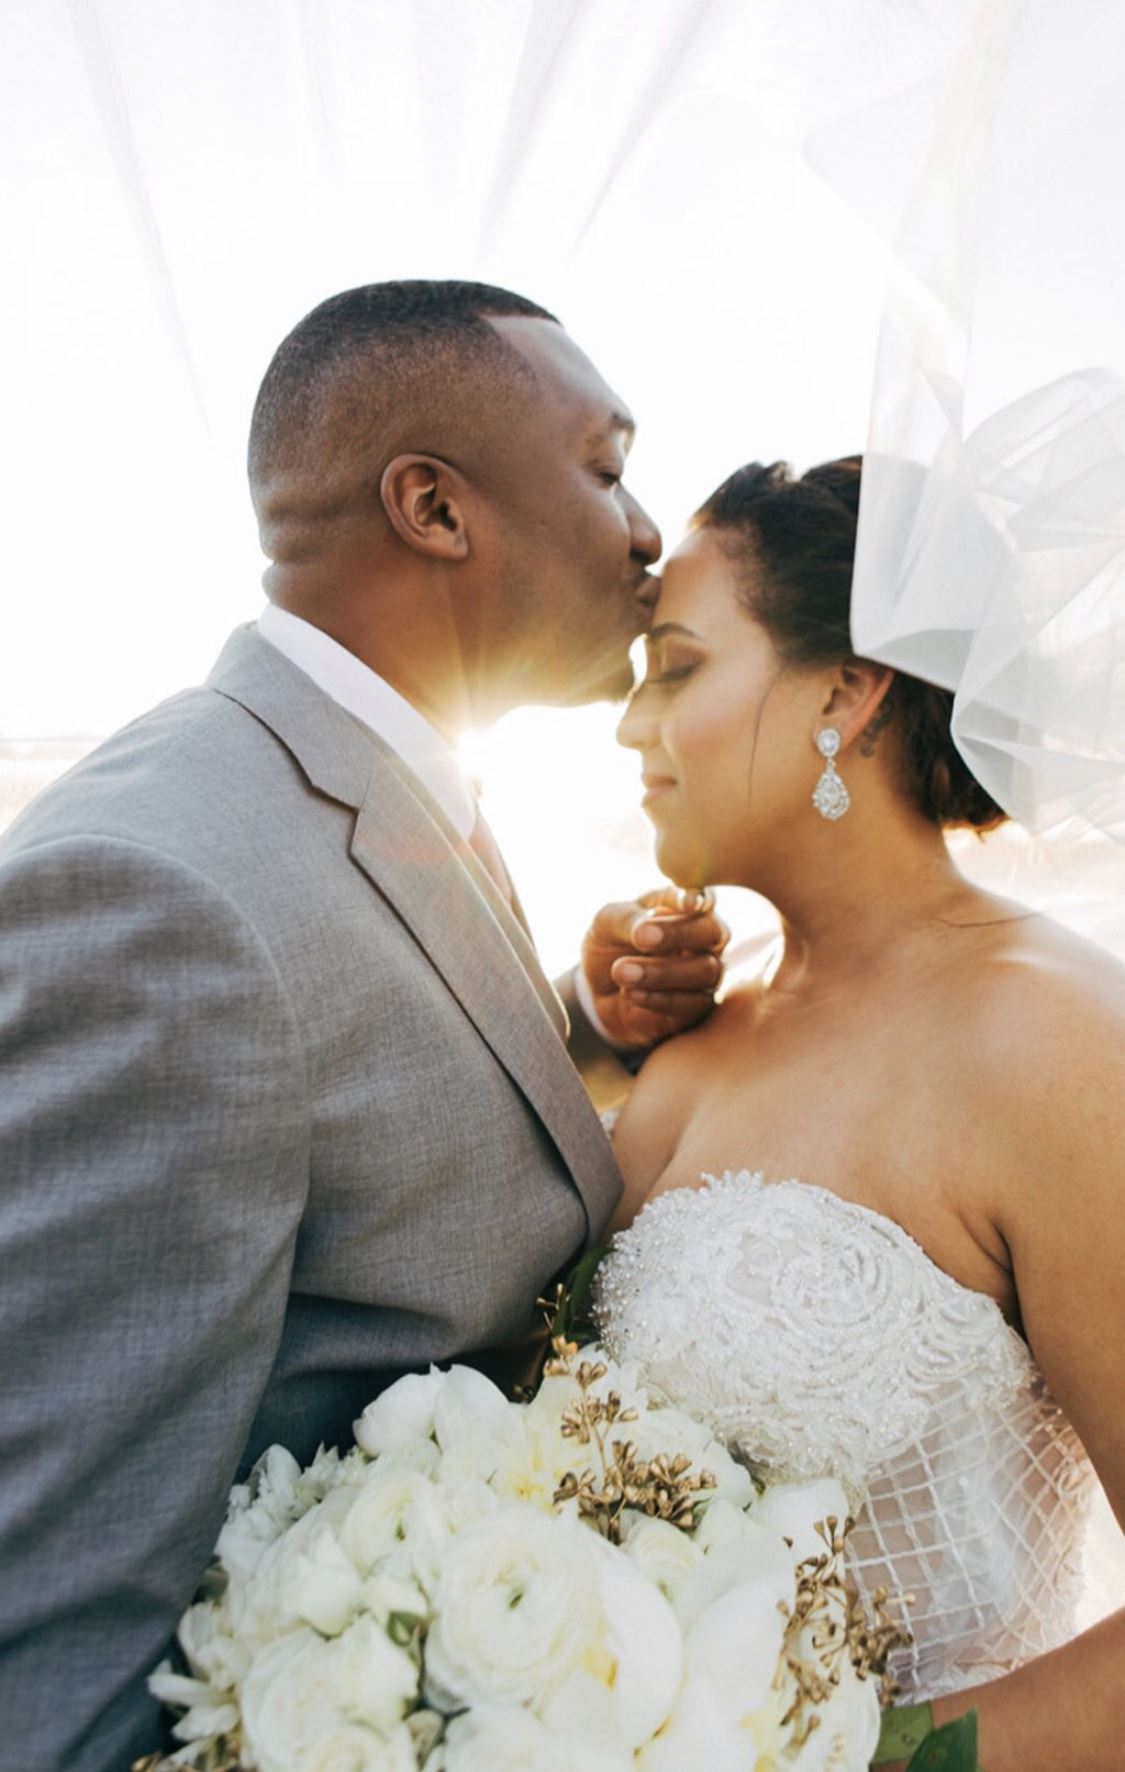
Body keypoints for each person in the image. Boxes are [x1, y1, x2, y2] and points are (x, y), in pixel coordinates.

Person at [0, 280, 723, 1772]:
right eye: (605, 466)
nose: (647, 530)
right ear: (433, 507)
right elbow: (49, 1642)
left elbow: (347, 1121)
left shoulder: (372, 783)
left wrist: (586, 1024)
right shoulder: (158, 902)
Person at [594, 456, 1125, 1771]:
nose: (626, 729)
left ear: (846, 689)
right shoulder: (689, 1043)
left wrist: (823, 1760)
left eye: (672, 668)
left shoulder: (1050, 1043)